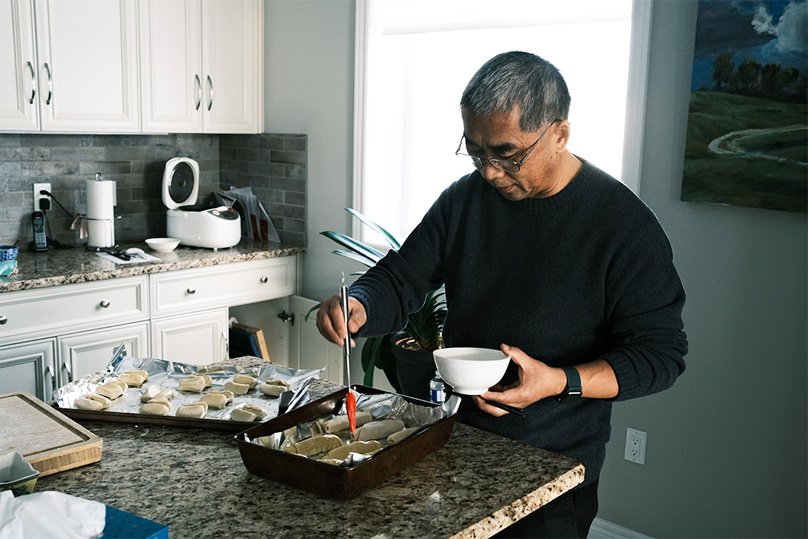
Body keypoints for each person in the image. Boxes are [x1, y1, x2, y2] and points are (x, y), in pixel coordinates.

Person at [317, 51, 687, 538]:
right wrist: (360, 303)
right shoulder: (464, 201)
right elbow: (401, 277)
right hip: (453, 441)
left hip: (552, 469)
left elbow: (660, 355)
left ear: (559, 134)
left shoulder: (624, 227)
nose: (489, 172)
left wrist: (559, 380)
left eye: (507, 155)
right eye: (475, 152)